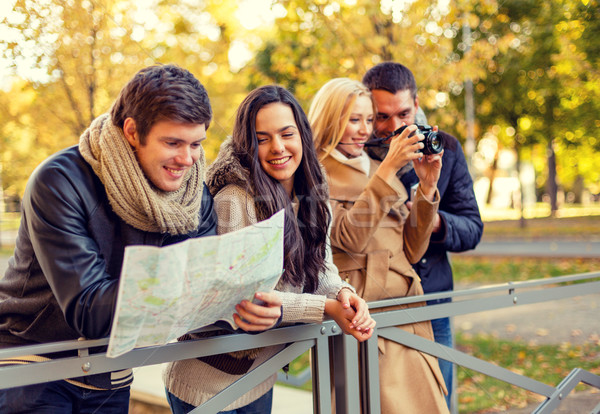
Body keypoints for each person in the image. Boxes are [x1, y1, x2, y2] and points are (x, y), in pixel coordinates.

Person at [0, 64, 218, 413]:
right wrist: (192, 281)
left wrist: (242, 305)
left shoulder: (192, 196)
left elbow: (208, 293)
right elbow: (91, 310)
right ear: (132, 131)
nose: (187, 159)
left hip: (109, 371)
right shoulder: (59, 182)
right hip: (32, 364)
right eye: (172, 142)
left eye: (196, 144)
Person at [163, 84, 376, 414]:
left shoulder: (315, 198)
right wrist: (326, 308)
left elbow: (322, 268)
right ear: (248, 144)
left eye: (287, 133)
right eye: (262, 138)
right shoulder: (235, 200)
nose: (278, 147)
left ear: (302, 135)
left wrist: (342, 295)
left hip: (259, 375)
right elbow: (250, 300)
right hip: (205, 383)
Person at [308, 77, 449, 413]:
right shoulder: (314, 172)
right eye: (353, 120)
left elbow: (412, 251)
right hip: (364, 314)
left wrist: (427, 189)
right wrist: (387, 169)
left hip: (409, 312)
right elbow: (348, 238)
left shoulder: (374, 167)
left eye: (369, 120)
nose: (364, 130)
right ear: (330, 119)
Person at [362, 62, 484, 408]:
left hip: (431, 302)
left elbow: (472, 228)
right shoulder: (355, 152)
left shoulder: (445, 147)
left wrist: (433, 220)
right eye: (381, 117)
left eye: (403, 113)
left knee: (438, 402)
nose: (395, 127)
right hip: (373, 306)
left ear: (416, 104)